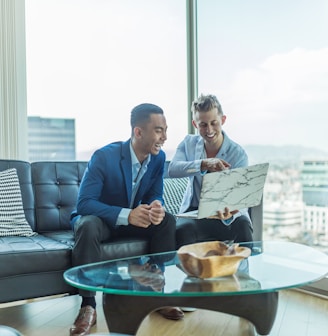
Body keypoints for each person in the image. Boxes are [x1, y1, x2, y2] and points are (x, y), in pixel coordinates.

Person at [69, 103, 179, 336]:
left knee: (166, 220)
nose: (165, 137)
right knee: (87, 225)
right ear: (138, 132)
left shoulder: (158, 159)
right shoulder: (104, 156)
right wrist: (126, 215)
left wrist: (157, 205)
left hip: (133, 222)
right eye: (159, 130)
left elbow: (155, 193)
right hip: (103, 222)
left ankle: (156, 293)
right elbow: (84, 204)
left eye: (165, 130)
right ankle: (88, 306)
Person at [168, 94, 253, 249]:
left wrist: (230, 212)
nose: (209, 130)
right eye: (203, 125)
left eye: (214, 123)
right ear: (195, 124)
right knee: (182, 231)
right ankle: (189, 273)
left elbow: (242, 198)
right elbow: (173, 169)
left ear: (223, 120)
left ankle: (243, 272)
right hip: (195, 214)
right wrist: (203, 164)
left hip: (227, 215)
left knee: (243, 227)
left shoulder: (238, 154)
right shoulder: (188, 144)